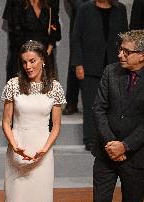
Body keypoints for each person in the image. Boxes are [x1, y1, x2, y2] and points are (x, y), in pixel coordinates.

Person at [1, 40, 66, 202]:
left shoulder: (55, 87)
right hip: (18, 148)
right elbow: (6, 122)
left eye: (32, 61)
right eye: (24, 62)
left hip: (43, 150)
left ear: (43, 60)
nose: (28, 66)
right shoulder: (13, 85)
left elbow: (56, 126)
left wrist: (44, 149)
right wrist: (15, 146)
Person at [92, 30, 144, 202]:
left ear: (142, 55)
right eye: (120, 49)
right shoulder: (110, 71)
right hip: (106, 153)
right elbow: (99, 109)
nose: (120, 54)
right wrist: (111, 145)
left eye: (126, 52)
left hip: (135, 157)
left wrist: (125, 146)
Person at [71, 0, 128, 151]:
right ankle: (90, 139)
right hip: (90, 66)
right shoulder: (85, 9)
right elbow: (76, 37)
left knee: (114, 105)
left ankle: (110, 139)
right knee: (91, 105)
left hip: (115, 65)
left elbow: (125, 38)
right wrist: (78, 63)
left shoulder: (120, 9)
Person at [3, 0, 61, 82]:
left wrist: (47, 52)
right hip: (22, 57)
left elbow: (54, 30)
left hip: (44, 56)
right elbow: (14, 33)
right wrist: (29, 55)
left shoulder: (50, 3)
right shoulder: (17, 3)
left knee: (45, 90)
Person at [62, 0, 88, 115]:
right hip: (80, 13)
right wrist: (82, 6)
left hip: (102, 12)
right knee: (76, 58)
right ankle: (72, 101)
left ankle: (100, 102)